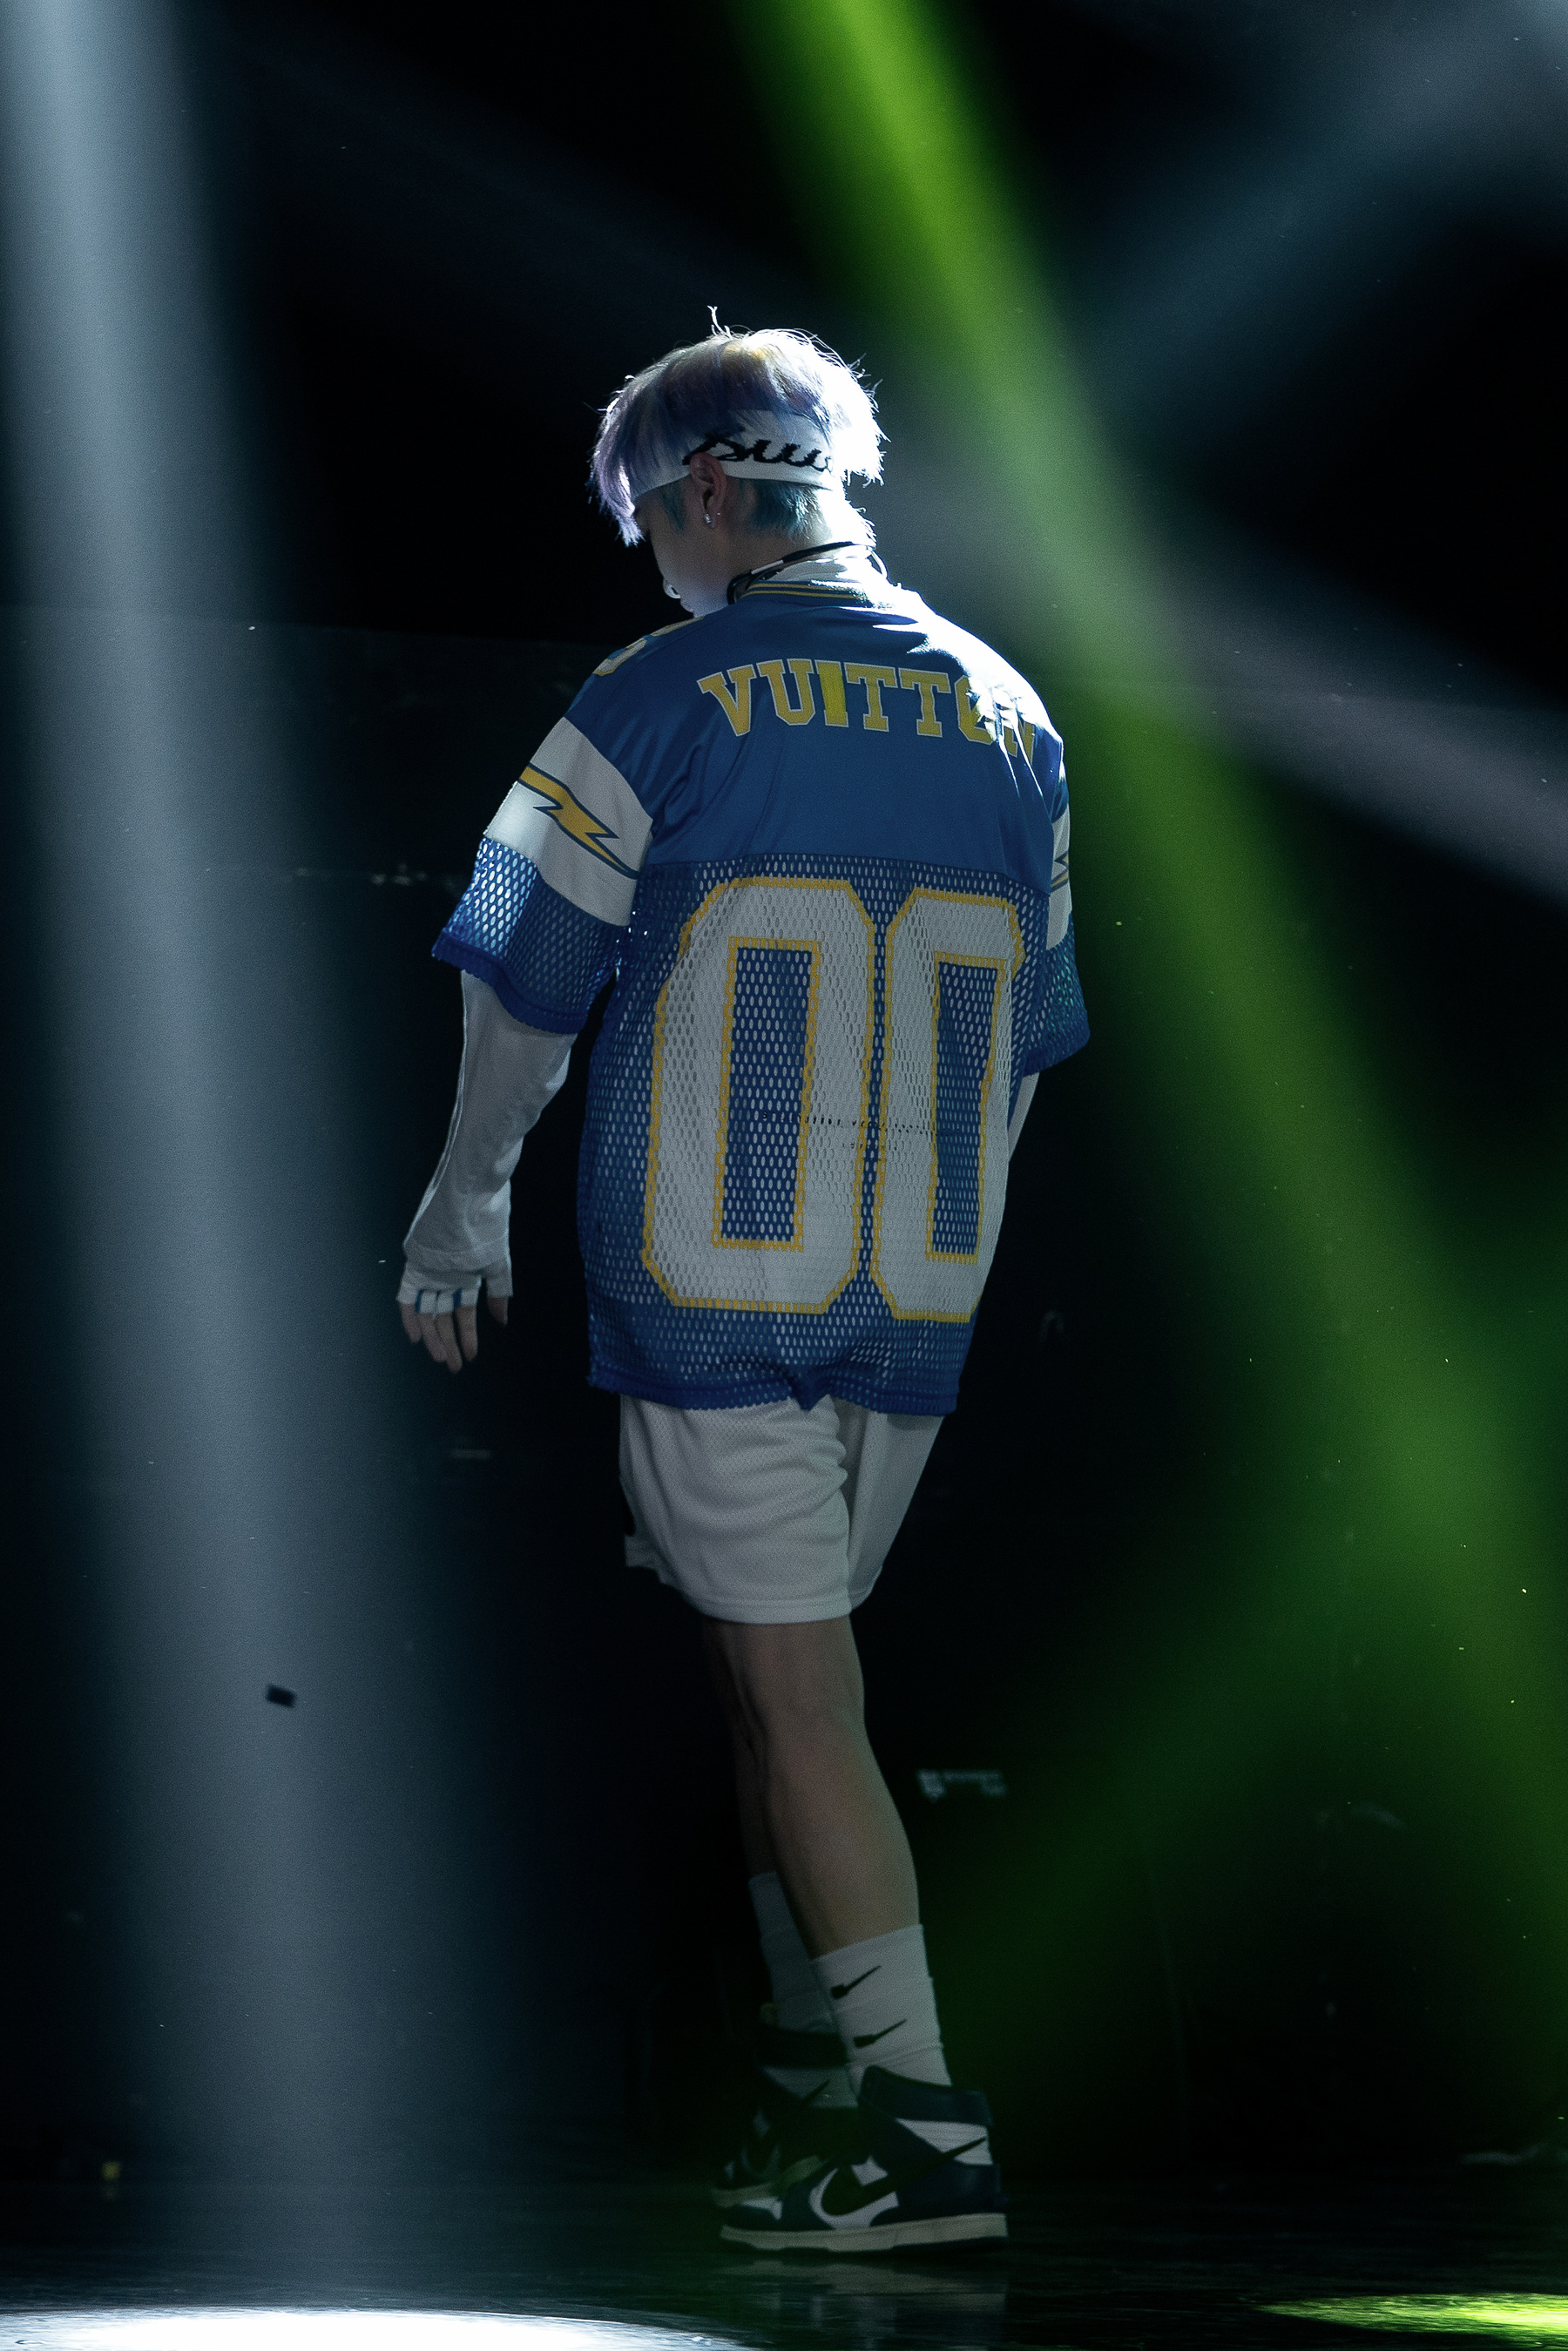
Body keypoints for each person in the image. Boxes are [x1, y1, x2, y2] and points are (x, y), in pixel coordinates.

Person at [396, 325, 1087, 2252]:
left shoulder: (655, 692)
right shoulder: (1012, 710)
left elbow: (522, 974)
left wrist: (461, 1211)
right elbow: (1034, 1043)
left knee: (795, 1700)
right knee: (772, 1677)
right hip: (914, 1292)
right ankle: (816, 2079)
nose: (654, 558)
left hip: (715, 1280)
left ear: (706, 486)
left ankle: (922, 2134)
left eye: (649, 520)